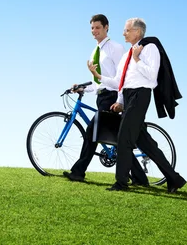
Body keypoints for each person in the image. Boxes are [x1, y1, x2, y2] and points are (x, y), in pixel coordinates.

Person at [90, 17, 186, 193]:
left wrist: (137, 59)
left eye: (127, 30)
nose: (123, 33)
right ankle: (175, 179)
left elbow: (152, 76)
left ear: (138, 32)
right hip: (128, 96)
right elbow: (120, 81)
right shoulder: (128, 54)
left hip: (141, 95)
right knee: (146, 144)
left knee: (123, 138)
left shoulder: (149, 48)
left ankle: (121, 183)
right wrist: (99, 76)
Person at [63, 14, 148, 186]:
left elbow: (122, 77)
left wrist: (120, 101)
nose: (94, 31)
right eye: (92, 28)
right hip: (102, 97)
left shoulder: (115, 48)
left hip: (112, 98)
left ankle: (78, 172)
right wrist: (83, 88)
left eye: (98, 27)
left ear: (106, 27)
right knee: (117, 140)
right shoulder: (95, 52)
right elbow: (98, 83)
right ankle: (139, 177)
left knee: (91, 134)